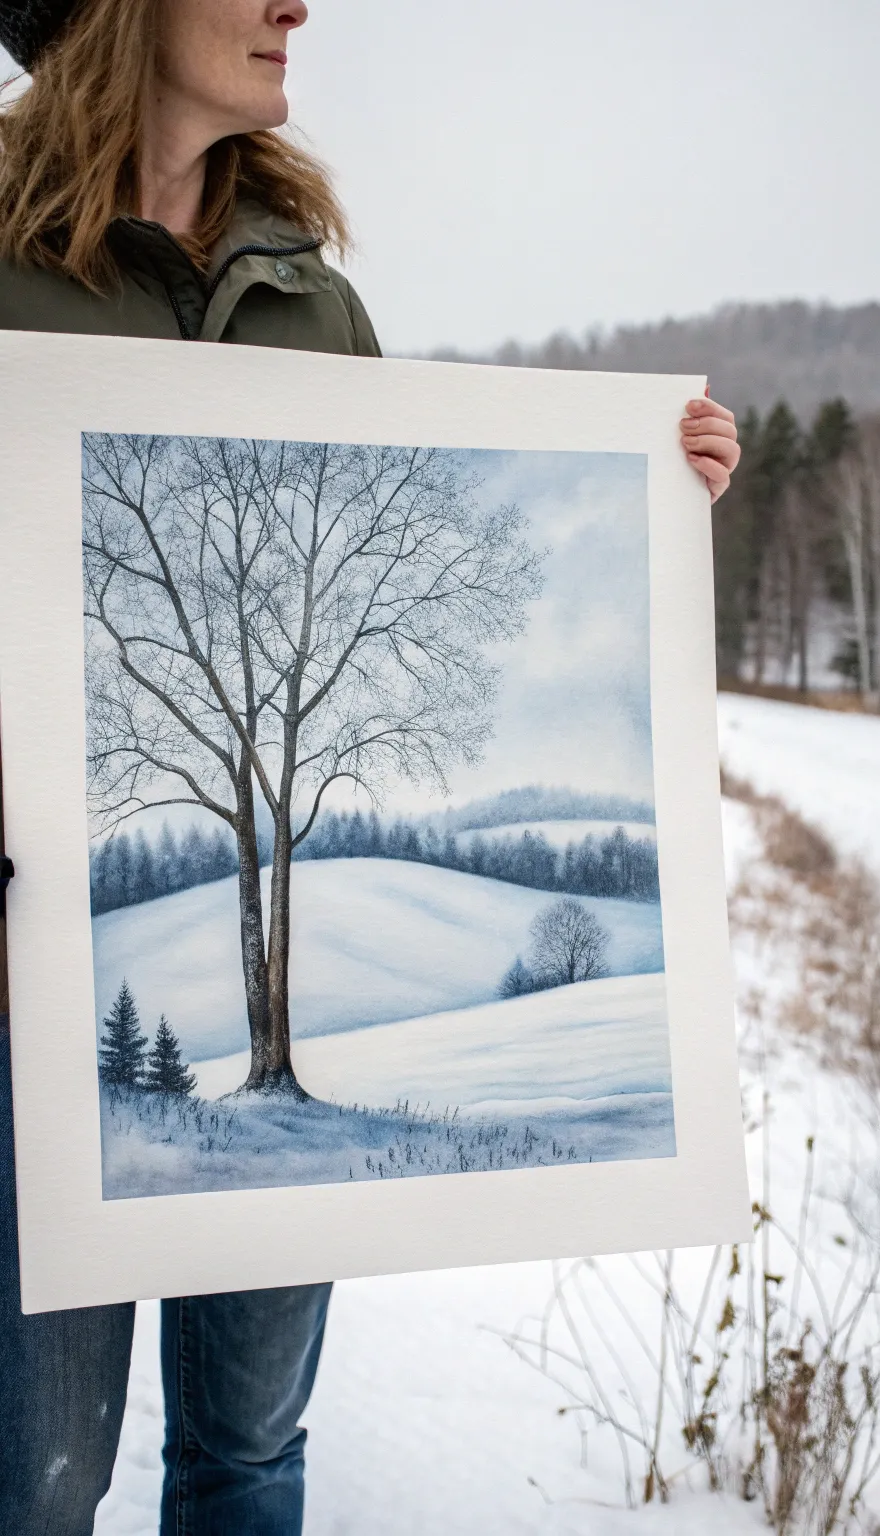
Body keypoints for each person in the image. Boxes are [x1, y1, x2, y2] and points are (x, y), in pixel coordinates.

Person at [0, 2, 742, 1531]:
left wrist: (657, 504)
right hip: (22, 1019)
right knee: (36, 1489)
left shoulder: (308, 302)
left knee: (250, 1457)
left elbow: (399, 537)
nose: (298, 2)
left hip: (232, 1115)